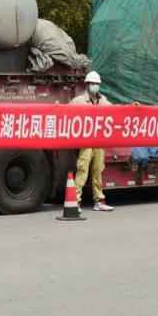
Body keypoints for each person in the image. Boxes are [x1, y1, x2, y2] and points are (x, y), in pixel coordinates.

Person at [70, 71, 113, 211]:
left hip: (99, 141)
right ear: (87, 84)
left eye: (97, 84)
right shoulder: (78, 101)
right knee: (82, 169)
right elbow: (66, 113)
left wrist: (132, 107)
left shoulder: (103, 101)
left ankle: (99, 201)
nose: (95, 86)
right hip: (86, 141)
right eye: (93, 83)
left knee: (98, 170)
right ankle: (75, 201)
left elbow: (116, 112)